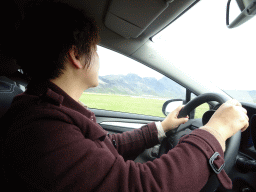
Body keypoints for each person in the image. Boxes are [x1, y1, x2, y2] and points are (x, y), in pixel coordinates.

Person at [2, 2, 249, 192]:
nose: (98, 57)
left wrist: (161, 128)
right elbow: (137, 186)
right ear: (76, 56)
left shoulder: (52, 112)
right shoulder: (41, 130)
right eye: (95, 49)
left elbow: (108, 147)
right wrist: (215, 132)